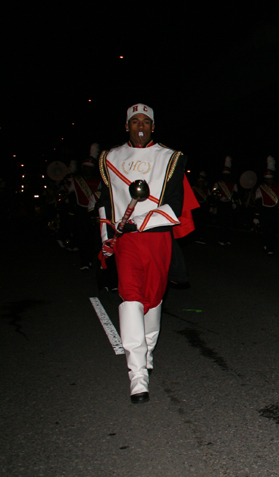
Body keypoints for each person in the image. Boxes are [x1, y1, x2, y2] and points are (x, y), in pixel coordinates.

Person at [97, 103, 187, 404]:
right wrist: (107, 236)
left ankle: (147, 351)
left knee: (154, 298)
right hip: (127, 243)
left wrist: (138, 220)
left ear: (152, 126)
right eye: (134, 121)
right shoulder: (110, 158)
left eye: (145, 122)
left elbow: (175, 204)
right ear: (126, 126)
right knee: (131, 297)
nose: (139, 126)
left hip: (157, 238)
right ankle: (137, 375)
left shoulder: (170, 157)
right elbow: (105, 202)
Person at [69, 144, 102, 270]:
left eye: (90, 168)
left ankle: (95, 260)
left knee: (94, 239)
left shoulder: (98, 181)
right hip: (81, 211)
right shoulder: (76, 180)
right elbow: (72, 196)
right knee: (83, 238)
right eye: (86, 168)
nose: (88, 170)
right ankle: (84, 262)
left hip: (93, 213)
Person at [253, 156, 279, 255]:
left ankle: (270, 245)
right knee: (266, 230)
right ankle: (268, 246)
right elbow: (258, 203)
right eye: (267, 179)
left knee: (273, 230)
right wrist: (256, 216)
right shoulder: (261, 188)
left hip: (275, 211)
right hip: (264, 211)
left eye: (270, 179)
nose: (269, 180)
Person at [211, 156, 238, 245]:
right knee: (222, 223)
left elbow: (236, 195)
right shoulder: (218, 183)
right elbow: (215, 195)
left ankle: (227, 239)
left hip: (229, 204)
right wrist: (215, 204)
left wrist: (234, 203)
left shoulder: (233, 184)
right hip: (221, 204)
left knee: (228, 223)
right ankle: (221, 239)